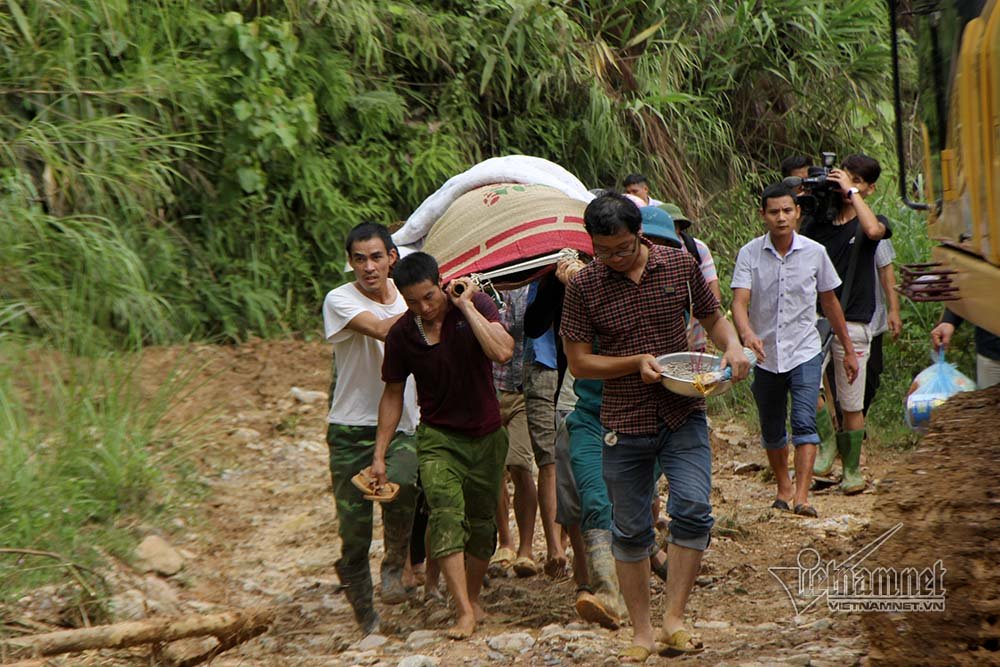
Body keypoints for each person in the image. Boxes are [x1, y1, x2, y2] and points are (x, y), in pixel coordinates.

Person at [560, 193, 750, 661]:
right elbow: (580, 363)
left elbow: (712, 317)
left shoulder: (677, 264)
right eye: (601, 251)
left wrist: (734, 347)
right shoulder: (584, 287)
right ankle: (642, 633)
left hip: (683, 408)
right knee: (629, 529)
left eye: (621, 249)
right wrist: (633, 364)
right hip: (623, 419)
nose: (612, 259)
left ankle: (674, 621)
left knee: (692, 507)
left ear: (639, 235)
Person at [372, 252, 514, 640]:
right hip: (438, 437)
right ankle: (464, 610)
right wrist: (379, 453)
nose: (425, 307)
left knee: (483, 523)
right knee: (446, 514)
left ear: (440, 282)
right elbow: (392, 394)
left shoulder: (474, 303)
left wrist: (465, 307)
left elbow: (502, 351)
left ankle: (471, 595)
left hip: (487, 434)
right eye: (413, 301)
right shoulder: (403, 334)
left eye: (430, 296)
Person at [731, 184, 859, 517]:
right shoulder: (749, 254)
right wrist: (746, 333)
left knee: (804, 422)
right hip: (765, 355)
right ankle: (783, 487)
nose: (781, 218)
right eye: (774, 212)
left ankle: (802, 496)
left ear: (797, 213)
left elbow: (829, 303)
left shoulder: (815, 252)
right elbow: (740, 301)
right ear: (763, 216)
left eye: (787, 211)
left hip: (804, 350)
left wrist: (848, 349)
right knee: (772, 427)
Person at [322, 222, 420, 635]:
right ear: (350, 263)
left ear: (392, 258)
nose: (368, 267)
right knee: (355, 527)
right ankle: (365, 615)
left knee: (405, 486)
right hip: (351, 426)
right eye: (359, 259)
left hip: (402, 422)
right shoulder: (339, 299)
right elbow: (383, 330)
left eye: (377, 257)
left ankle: (395, 564)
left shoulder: (406, 294)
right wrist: (429, 300)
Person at [802, 154, 891, 495]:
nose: (846, 184)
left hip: (854, 319)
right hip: (815, 318)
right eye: (844, 177)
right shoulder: (819, 224)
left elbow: (873, 231)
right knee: (808, 386)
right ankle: (827, 444)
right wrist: (806, 200)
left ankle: (852, 469)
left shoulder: (871, 221)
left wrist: (850, 193)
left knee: (852, 399)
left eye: (856, 180)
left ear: (868, 188)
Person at [489, 286, 535, 578]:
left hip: (524, 388)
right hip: (488, 386)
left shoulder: (535, 283)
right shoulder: (483, 285)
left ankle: (526, 549)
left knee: (520, 464)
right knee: (494, 469)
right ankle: (505, 542)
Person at [659, 203, 722, 352]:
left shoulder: (695, 249)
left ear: (679, 227)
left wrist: (708, 314)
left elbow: (712, 286)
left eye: (673, 226)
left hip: (695, 337)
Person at [930, 310, 1000, 388]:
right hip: (992, 351)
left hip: (991, 349)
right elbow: (967, 298)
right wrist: (949, 321)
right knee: (989, 398)